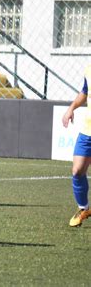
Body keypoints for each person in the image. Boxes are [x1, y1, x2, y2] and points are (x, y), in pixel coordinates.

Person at [62, 64, 91, 227]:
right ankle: (84, 209)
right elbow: (85, 92)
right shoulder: (88, 69)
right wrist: (71, 108)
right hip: (88, 130)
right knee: (77, 171)